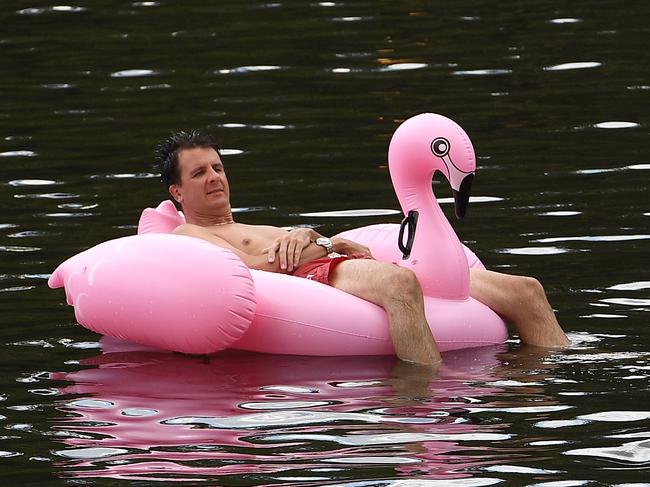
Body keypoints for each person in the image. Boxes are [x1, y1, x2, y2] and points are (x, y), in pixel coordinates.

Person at [155, 130, 569, 366]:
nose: (214, 177)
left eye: (218, 168)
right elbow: (245, 270)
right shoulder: (186, 236)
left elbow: (309, 246)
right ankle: (428, 403)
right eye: (199, 173)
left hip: (331, 261)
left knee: (526, 288)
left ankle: (557, 377)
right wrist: (312, 242)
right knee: (399, 283)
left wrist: (321, 239)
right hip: (307, 278)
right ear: (177, 191)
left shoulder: (253, 223)